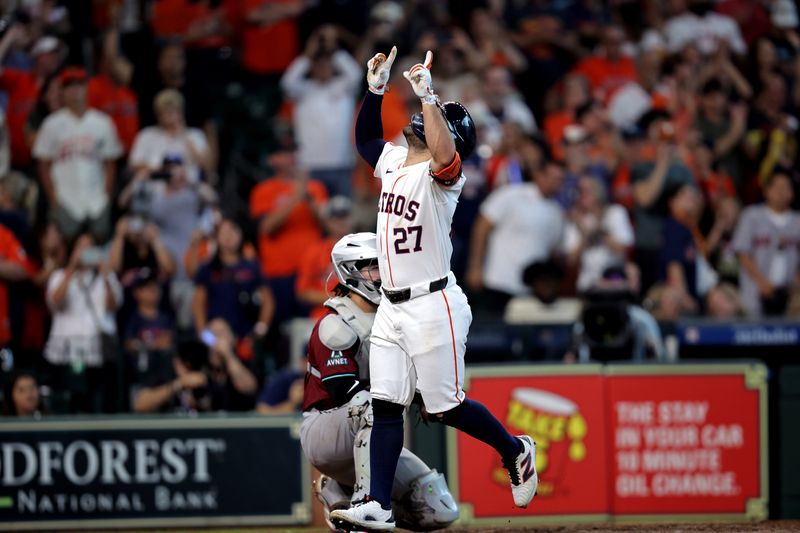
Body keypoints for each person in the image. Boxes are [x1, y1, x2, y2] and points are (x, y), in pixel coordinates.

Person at [332, 47, 537, 531]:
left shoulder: (446, 175)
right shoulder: (399, 161)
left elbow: (446, 154)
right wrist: (375, 89)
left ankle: (515, 450)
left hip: (433, 300)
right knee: (385, 404)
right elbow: (364, 140)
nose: (420, 118)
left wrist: (430, 96)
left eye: (432, 117)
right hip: (393, 306)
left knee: (444, 407)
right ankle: (378, 505)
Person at [300, 233, 458, 531]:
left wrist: (427, 397)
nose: (383, 274)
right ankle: (364, 505)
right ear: (350, 271)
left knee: (437, 508)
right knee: (374, 405)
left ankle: (341, 495)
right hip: (326, 429)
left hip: (368, 430)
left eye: (384, 266)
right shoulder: (335, 322)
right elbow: (343, 390)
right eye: (373, 267)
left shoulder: (394, 316)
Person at [33, 67, 123, 243]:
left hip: (96, 197)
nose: (75, 92)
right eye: (70, 87)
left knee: (99, 242)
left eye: (79, 86)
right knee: (65, 242)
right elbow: (43, 163)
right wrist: (53, 198)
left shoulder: (102, 122)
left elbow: (111, 162)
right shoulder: (52, 123)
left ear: (86, 88)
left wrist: (106, 195)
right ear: (63, 92)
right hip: (65, 197)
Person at [133, 318, 258, 413]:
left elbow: (249, 389)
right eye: (213, 334)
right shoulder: (189, 362)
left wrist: (228, 355)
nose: (218, 338)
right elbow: (139, 405)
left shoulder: (240, 364)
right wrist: (179, 384)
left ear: (234, 339)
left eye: (223, 333)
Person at [732, 169, 800, 316]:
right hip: (755, 289)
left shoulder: (797, 221)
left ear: (792, 192)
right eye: (776, 187)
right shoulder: (751, 215)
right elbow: (742, 253)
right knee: (752, 333)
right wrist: (762, 282)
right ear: (766, 191)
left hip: (790, 292)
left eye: (786, 187)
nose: (781, 192)